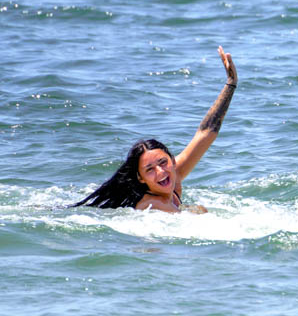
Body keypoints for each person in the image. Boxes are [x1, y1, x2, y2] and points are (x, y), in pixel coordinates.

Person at [72, 47, 237, 213]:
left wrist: (231, 83)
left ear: (172, 161)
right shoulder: (154, 203)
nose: (160, 171)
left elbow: (206, 133)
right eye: (149, 169)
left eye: (163, 162)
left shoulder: (172, 176)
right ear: (140, 178)